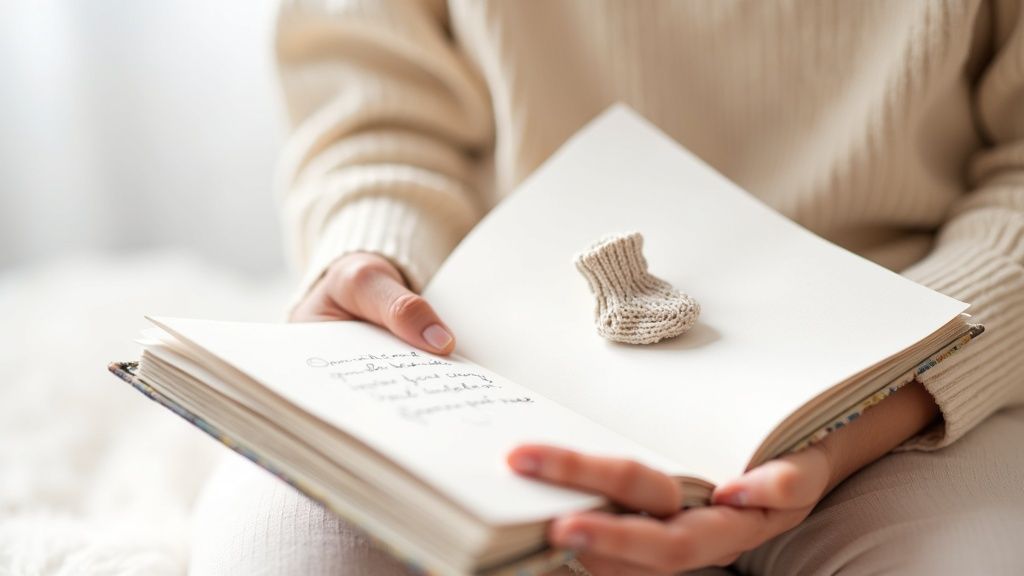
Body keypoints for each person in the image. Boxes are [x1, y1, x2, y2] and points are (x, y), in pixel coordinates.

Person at [190, 1, 1024, 574]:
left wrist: (849, 418)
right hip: (477, 343)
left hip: (915, 349)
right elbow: (375, 107)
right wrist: (371, 258)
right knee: (290, 549)